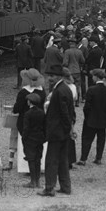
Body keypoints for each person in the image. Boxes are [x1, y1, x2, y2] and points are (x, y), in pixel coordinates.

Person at [38, 64, 75, 197]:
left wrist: (67, 127)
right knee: (63, 160)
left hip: (57, 131)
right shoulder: (66, 89)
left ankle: (49, 188)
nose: (49, 78)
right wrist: (70, 128)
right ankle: (66, 187)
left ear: (59, 76)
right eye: (49, 76)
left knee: (51, 161)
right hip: (63, 132)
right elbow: (71, 112)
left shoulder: (59, 91)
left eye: (52, 76)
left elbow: (65, 113)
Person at [77, 69, 106, 166]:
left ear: (96, 77)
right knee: (101, 138)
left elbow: (87, 107)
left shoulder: (91, 90)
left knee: (87, 138)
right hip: (103, 118)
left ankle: (83, 158)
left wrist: (87, 117)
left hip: (91, 118)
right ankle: (98, 158)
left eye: (93, 76)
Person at [12, 69, 46, 172]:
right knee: (38, 147)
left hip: (25, 122)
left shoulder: (23, 92)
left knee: (26, 145)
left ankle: (26, 168)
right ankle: (39, 167)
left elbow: (16, 109)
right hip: (39, 121)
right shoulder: (42, 91)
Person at [21, 93, 45, 189]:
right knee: (38, 159)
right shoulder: (42, 112)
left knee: (31, 159)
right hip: (39, 138)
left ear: (29, 102)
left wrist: (24, 138)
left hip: (30, 139)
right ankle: (38, 181)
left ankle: (32, 181)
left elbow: (26, 128)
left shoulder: (28, 114)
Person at [62, 38, 85, 106]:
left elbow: (65, 63)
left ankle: (70, 100)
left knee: (69, 86)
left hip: (70, 71)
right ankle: (77, 101)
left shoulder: (67, 51)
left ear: (70, 44)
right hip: (77, 70)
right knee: (77, 86)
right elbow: (83, 61)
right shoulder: (79, 51)